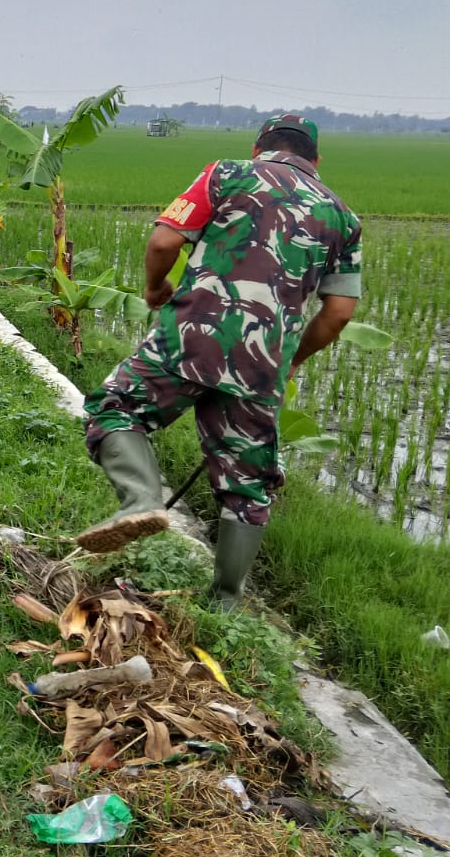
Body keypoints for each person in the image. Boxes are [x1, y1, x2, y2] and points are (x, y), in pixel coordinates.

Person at [76, 114, 362, 608]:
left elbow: (165, 241)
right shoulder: (343, 217)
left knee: (116, 408)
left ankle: (141, 501)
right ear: (316, 160)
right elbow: (338, 313)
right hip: (262, 365)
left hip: (191, 338)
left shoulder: (226, 174)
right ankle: (226, 600)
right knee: (248, 486)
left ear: (258, 147)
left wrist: (155, 288)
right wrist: (292, 358)